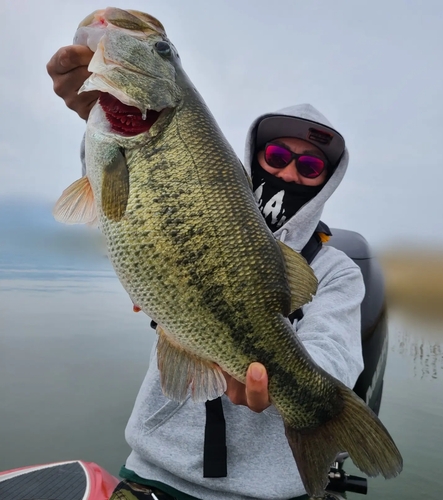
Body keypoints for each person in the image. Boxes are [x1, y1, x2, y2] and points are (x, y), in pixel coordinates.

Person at [47, 45, 365, 500]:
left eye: (312, 166)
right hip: (154, 474)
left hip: (270, 493)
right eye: (277, 156)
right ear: (254, 157)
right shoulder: (194, 203)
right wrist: (100, 115)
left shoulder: (337, 270)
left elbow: (336, 354)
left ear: (327, 182)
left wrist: (289, 385)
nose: (291, 173)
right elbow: (122, 199)